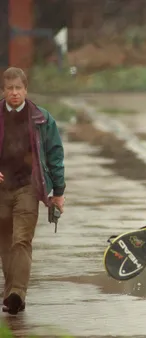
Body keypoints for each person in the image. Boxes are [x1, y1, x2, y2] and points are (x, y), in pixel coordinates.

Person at [0, 67, 66, 315]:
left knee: (22, 240)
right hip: (1, 189)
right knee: (5, 244)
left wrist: (58, 191)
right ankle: (11, 295)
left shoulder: (42, 119)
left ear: (26, 90)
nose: (14, 93)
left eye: (18, 88)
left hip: (29, 187)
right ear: (4, 90)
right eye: (10, 88)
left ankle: (17, 292)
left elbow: (55, 155)